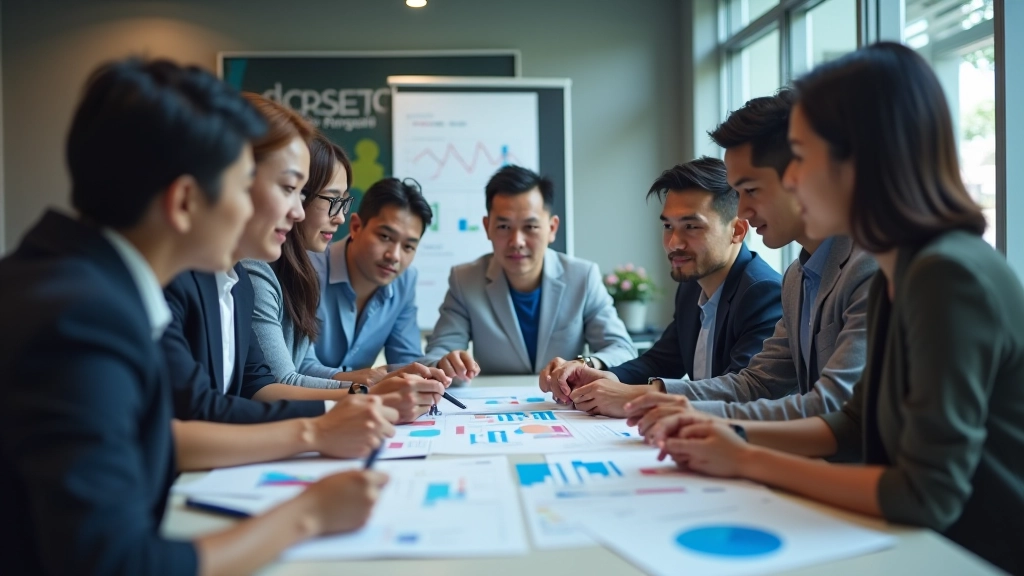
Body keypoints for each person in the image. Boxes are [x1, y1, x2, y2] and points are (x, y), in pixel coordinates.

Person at [639, 43, 1024, 574]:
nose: (792, 180)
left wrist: (746, 457)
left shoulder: (944, 274)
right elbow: (849, 421)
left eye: (802, 156)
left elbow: (924, 494)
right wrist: (727, 433)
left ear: (860, 158)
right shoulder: (905, 265)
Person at [0, 58, 390, 576]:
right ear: (184, 201)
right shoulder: (78, 319)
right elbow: (113, 563)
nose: (279, 210)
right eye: (242, 183)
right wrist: (308, 515)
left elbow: (161, 432)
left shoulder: (89, 284)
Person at [164, 94, 447, 425]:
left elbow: (294, 368)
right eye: (289, 189)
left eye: (299, 195)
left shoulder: (254, 279)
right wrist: (365, 394)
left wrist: (374, 381)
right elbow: (265, 387)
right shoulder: (244, 274)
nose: (297, 212)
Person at [623, 89, 876, 421]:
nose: (742, 210)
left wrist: (721, 433)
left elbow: (833, 407)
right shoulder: (796, 278)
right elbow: (755, 383)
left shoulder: (869, 268)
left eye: (752, 190)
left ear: (803, 177)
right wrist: (661, 402)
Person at [546, 157, 783, 417]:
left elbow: (738, 391)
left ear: (737, 230)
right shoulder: (693, 286)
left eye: (691, 227)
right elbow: (661, 360)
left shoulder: (764, 292)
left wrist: (641, 396)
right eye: (668, 226)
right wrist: (604, 377)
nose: (673, 243)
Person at [420, 165, 636, 381]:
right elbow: (437, 354)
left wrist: (586, 364)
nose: (517, 242)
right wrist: (446, 363)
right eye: (504, 227)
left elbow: (622, 349)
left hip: (565, 403)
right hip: (495, 406)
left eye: (530, 227)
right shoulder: (465, 280)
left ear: (552, 228)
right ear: (487, 227)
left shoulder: (582, 277)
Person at [243, 134, 353, 389]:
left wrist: (372, 378)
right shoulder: (255, 270)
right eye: (332, 201)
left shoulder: (302, 271)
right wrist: (365, 391)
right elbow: (283, 382)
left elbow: (303, 364)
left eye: (344, 202)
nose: (340, 218)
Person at [310, 177, 435, 383]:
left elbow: (407, 362)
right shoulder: (308, 270)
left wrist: (439, 370)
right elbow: (294, 368)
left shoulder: (405, 280)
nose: (394, 256)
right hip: (303, 407)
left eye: (408, 247)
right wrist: (360, 384)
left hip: (360, 406)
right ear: (356, 227)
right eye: (385, 237)